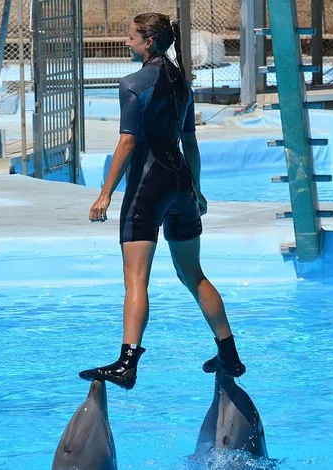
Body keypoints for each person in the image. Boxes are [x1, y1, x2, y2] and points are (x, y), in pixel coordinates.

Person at [78, 12, 246, 390]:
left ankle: (127, 363)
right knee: (193, 274)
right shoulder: (181, 82)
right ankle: (229, 353)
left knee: (136, 278)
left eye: (131, 37)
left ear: (149, 41)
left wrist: (104, 194)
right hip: (181, 185)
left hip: (147, 190)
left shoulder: (133, 84)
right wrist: (197, 190)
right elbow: (191, 144)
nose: (126, 42)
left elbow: (128, 142)